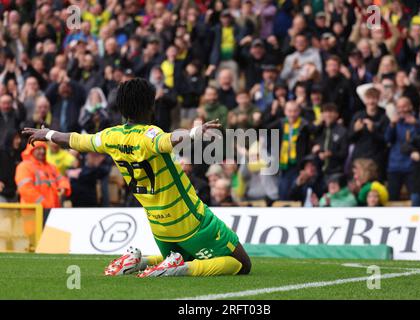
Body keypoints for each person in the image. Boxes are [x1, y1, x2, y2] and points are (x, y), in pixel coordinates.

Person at [22, 78, 251, 278]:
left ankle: (139, 262)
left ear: (121, 109)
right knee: (241, 264)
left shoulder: (110, 136)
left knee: (183, 256)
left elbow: (76, 140)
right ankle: (179, 270)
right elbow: (168, 140)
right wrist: (192, 133)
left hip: (159, 226)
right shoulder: (150, 134)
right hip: (190, 220)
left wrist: (48, 134)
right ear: (150, 106)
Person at [384, 97, 420, 201]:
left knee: (415, 199)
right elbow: (387, 139)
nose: (401, 109)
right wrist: (392, 125)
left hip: (412, 167)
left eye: (404, 106)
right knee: (392, 199)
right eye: (399, 107)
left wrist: (417, 124)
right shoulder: (394, 122)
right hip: (394, 166)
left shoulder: (418, 122)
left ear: (410, 107)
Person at [15, 141, 71, 210]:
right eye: (38, 149)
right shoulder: (24, 166)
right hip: (33, 212)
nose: (42, 151)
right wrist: (44, 204)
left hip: (52, 210)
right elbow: (26, 189)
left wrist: (63, 186)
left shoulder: (51, 167)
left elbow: (62, 179)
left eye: (44, 149)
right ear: (31, 150)